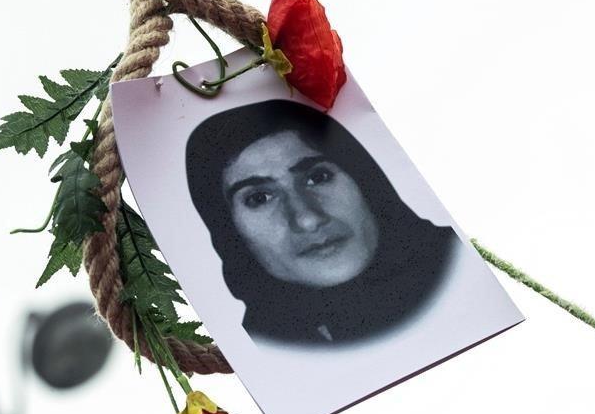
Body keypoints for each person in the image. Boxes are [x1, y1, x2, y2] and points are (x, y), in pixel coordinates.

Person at [186, 99, 459, 345]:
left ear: (367, 183)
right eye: (259, 198)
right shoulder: (263, 355)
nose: (307, 219)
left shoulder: (462, 266)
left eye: (318, 177)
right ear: (227, 233)